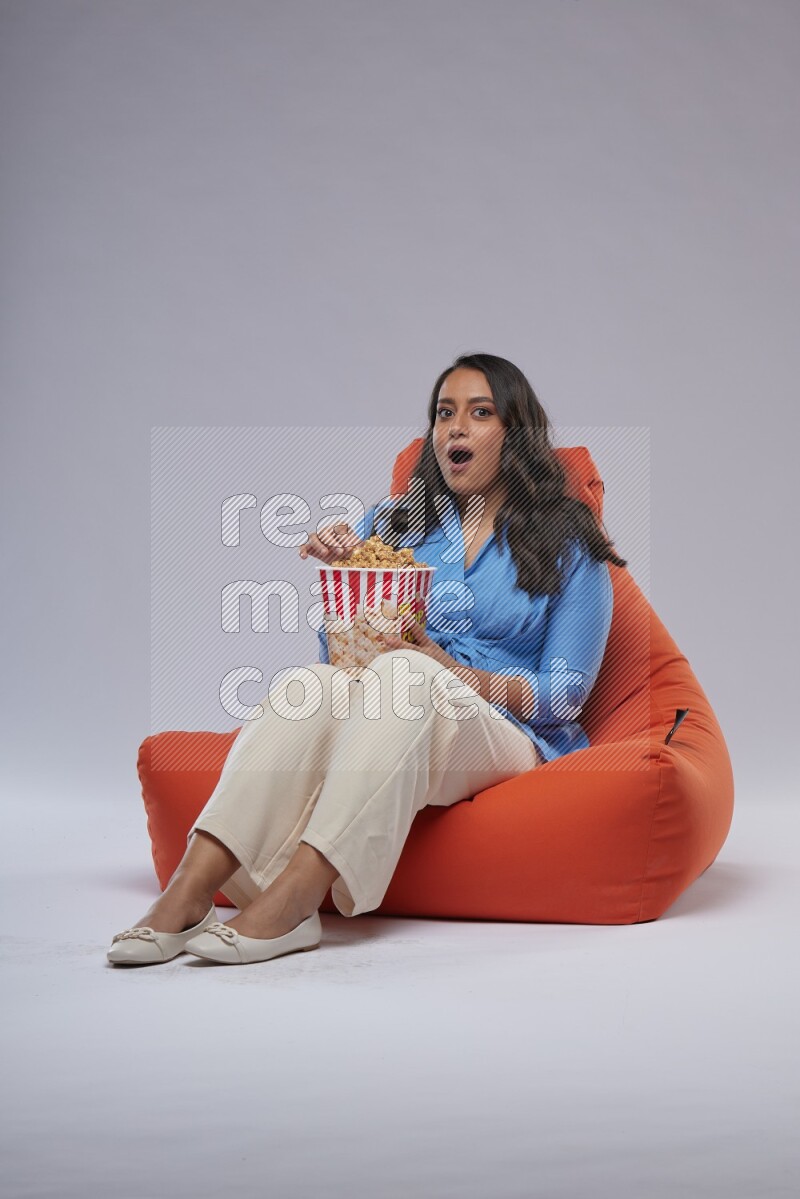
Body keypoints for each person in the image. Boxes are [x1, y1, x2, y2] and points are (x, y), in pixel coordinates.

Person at [106, 352, 626, 966]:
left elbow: (565, 693)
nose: (454, 428)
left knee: (407, 673)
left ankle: (294, 900)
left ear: (515, 433)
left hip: (509, 737)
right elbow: (342, 662)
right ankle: (192, 889)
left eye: (479, 413)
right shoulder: (397, 525)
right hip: (399, 718)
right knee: (314, 683)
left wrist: (452, 673)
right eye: (444, 413)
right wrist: (349, 579)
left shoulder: (570, 544)